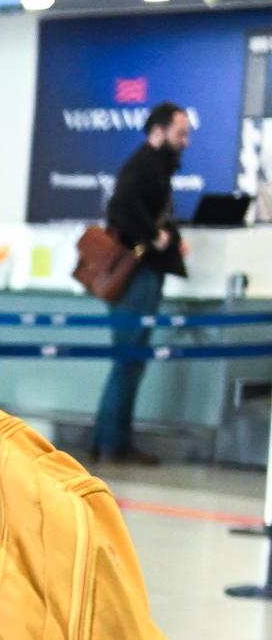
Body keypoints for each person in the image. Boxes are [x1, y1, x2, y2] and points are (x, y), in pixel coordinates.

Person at [93, 101, 191, 466]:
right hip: (134, 278)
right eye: (180, 133)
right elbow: (121, 210)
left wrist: (170, 237)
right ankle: (110, 442)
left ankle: (115, 441)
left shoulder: (156, 168)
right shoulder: (143, 166)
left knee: (131, 361)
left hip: (144, 275)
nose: (185, 142)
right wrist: (155, 236)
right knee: (128, 359)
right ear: (158, 131)